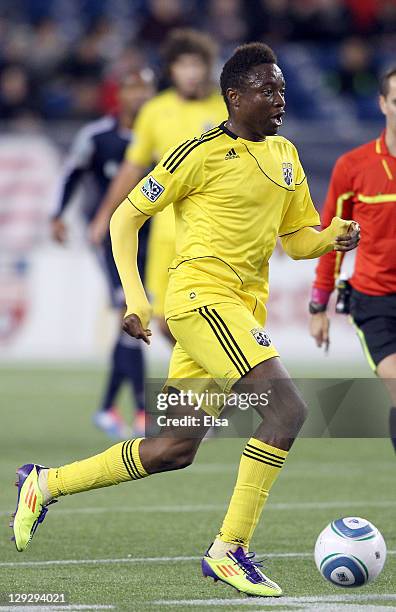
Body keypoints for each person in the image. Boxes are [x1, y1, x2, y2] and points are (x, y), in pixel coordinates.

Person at [12, 43, 359, 598]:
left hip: (239, 308)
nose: (280, 100)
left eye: (283, 89)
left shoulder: (287, 155)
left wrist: (331, 237)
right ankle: (230, 548)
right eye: (267, 91)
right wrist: (136, 298)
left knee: (173, 448)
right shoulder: (195, 153)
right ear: (235, 97)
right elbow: (126, 218)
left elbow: (296, 241)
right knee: (287, 408)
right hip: (202, 299)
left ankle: (45, 483)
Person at [88, 28, 226, 340]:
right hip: (166, 230)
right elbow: (131, 168)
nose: (191, 73)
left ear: (207, 68)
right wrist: (102, 217)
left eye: (197, 65)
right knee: (165, 321)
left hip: (214, 230)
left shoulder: (225, 109)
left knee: (213, 314)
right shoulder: (154, 111)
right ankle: (210, 377)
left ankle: (211, 379)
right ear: (172, 70)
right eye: (183, 66)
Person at [50, 71, 154, 438]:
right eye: (132, 87)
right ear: (119, 94)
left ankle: (108, 407)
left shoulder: (159, 136)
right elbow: (71, 174)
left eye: (145, 88)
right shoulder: (96, 137)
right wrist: (58, 215)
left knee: (132, 321)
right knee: (132, 312)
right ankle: (142, 411)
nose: (139, 95)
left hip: (154, 242)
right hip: (112, 240)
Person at [309, 66, 396, 451]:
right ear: (382, 103)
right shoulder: (353, 167)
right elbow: (332, 237)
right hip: (375, 302)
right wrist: (318, 305)